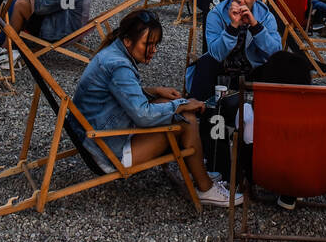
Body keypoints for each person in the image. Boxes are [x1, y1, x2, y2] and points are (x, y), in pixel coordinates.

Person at [69, 11, 239, 206]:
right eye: (147, 44)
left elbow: (118, 94)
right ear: (127, 41)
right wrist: (181, 104)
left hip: (95, 135)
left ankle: (196, 169)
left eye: (155, 44)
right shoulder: (119, 66)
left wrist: (154, 91)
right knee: (187, 119)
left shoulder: (111, 53)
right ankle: (205, 188)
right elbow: (143, 116)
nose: (153, 50)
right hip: (107, 152)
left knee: (170, 106)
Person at [185, 0, 282, 100]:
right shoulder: (216, 14)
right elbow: (215, 53)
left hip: (253, 69)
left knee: (282, 66)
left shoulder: (266, 17)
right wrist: (232, 27)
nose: (240, 0)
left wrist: (255, 26)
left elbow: (276, 53)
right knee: (206, 63)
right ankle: (200, 109)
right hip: (223, 68)